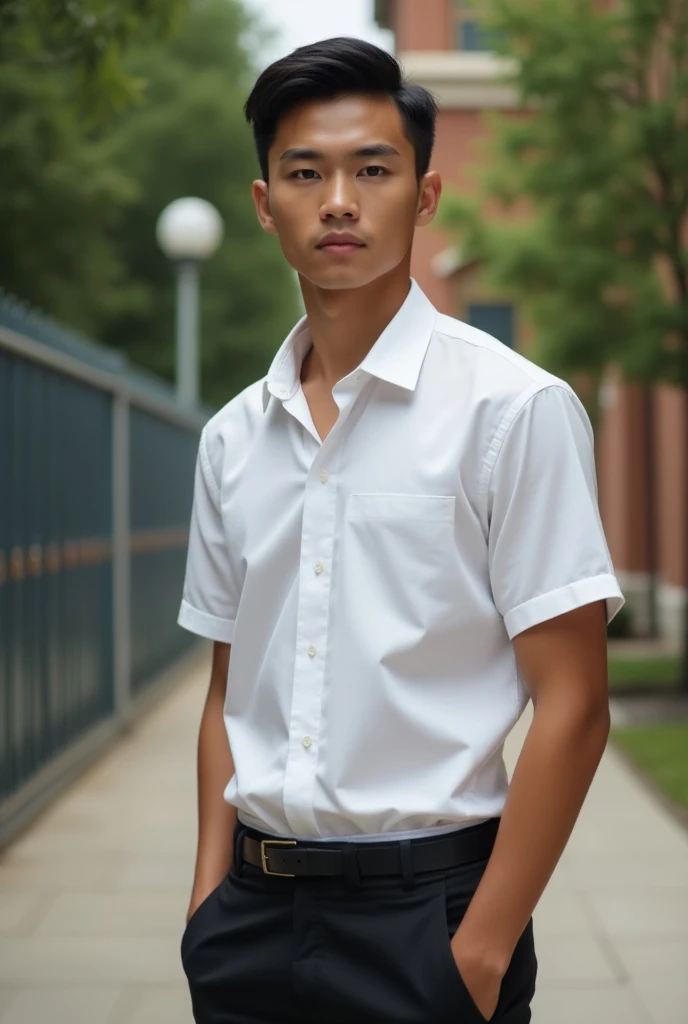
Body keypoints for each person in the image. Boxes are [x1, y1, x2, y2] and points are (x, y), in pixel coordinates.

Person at [176, 36, 625, 1024]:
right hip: (248, 923)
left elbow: (574, 704)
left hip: (430, 927)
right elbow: (225, 691)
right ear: (266, 204)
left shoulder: (513, 411)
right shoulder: (230, 440)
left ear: (423, 197)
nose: (339, 199)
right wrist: (206, 905)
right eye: (305, 171)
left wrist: (479, 951)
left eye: (372, 169)